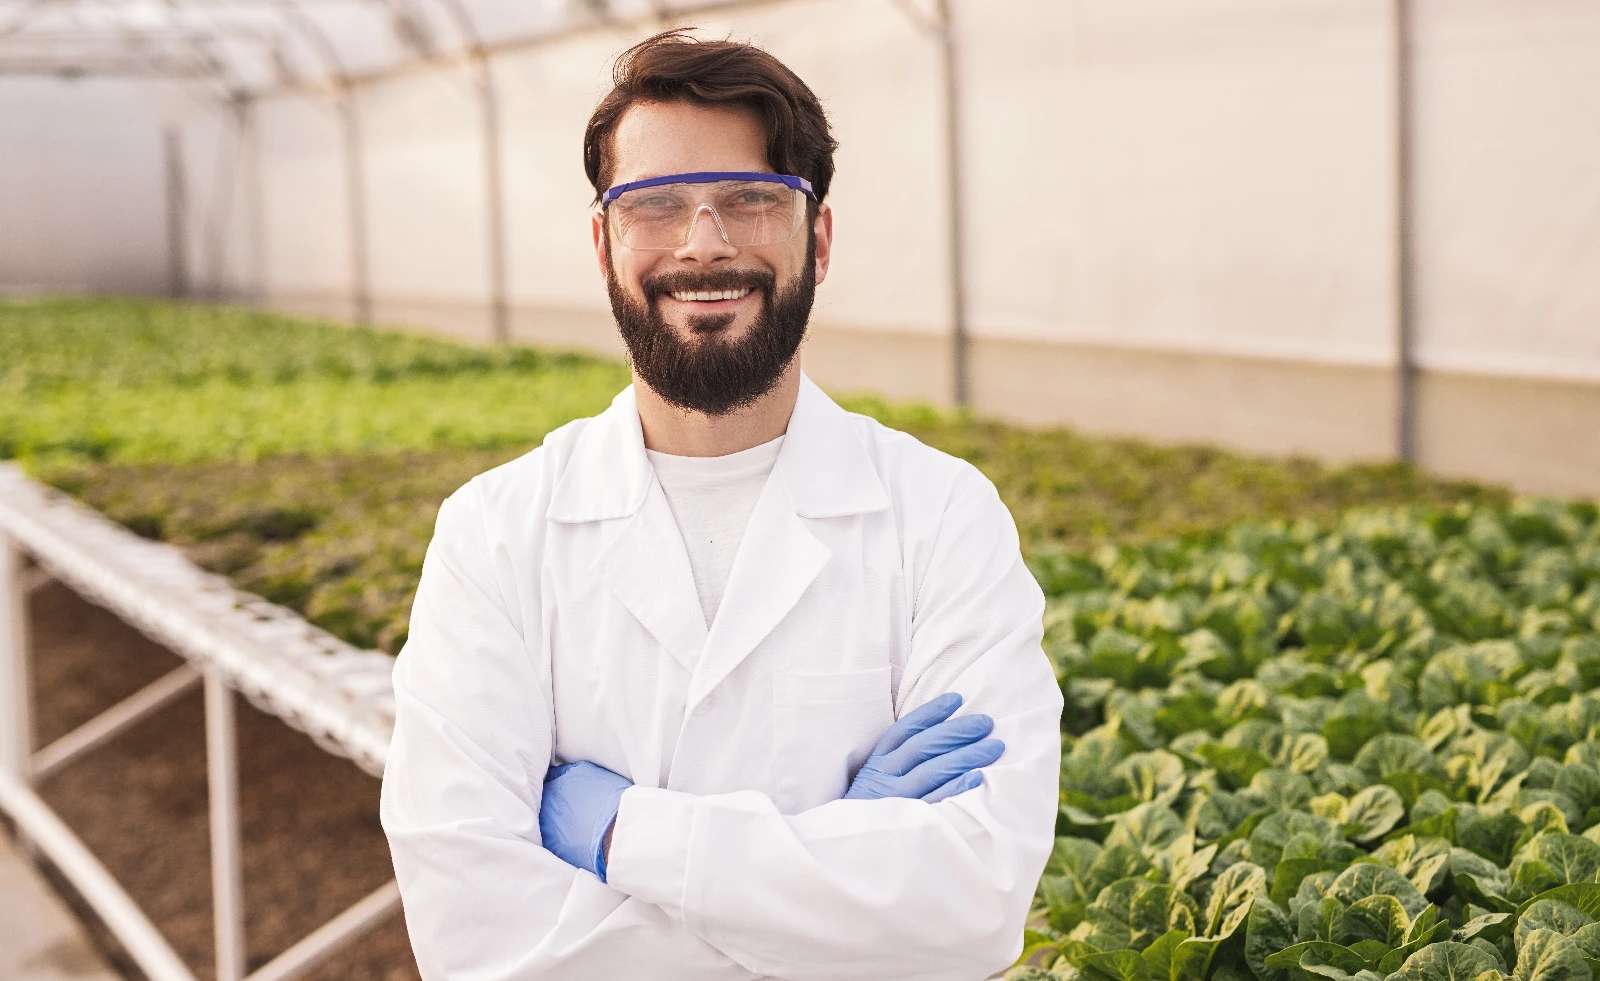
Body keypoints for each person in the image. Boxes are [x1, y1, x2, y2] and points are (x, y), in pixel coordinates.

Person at [379, 29, 1062, 981]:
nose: (704, 242)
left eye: (749, 199)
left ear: (816, 239)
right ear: (604, 244)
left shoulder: (942, 515)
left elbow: (975, 908)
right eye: (654, 204)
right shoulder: (495, 535)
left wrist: (627, 835)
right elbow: (479, 941)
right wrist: (844, 865)